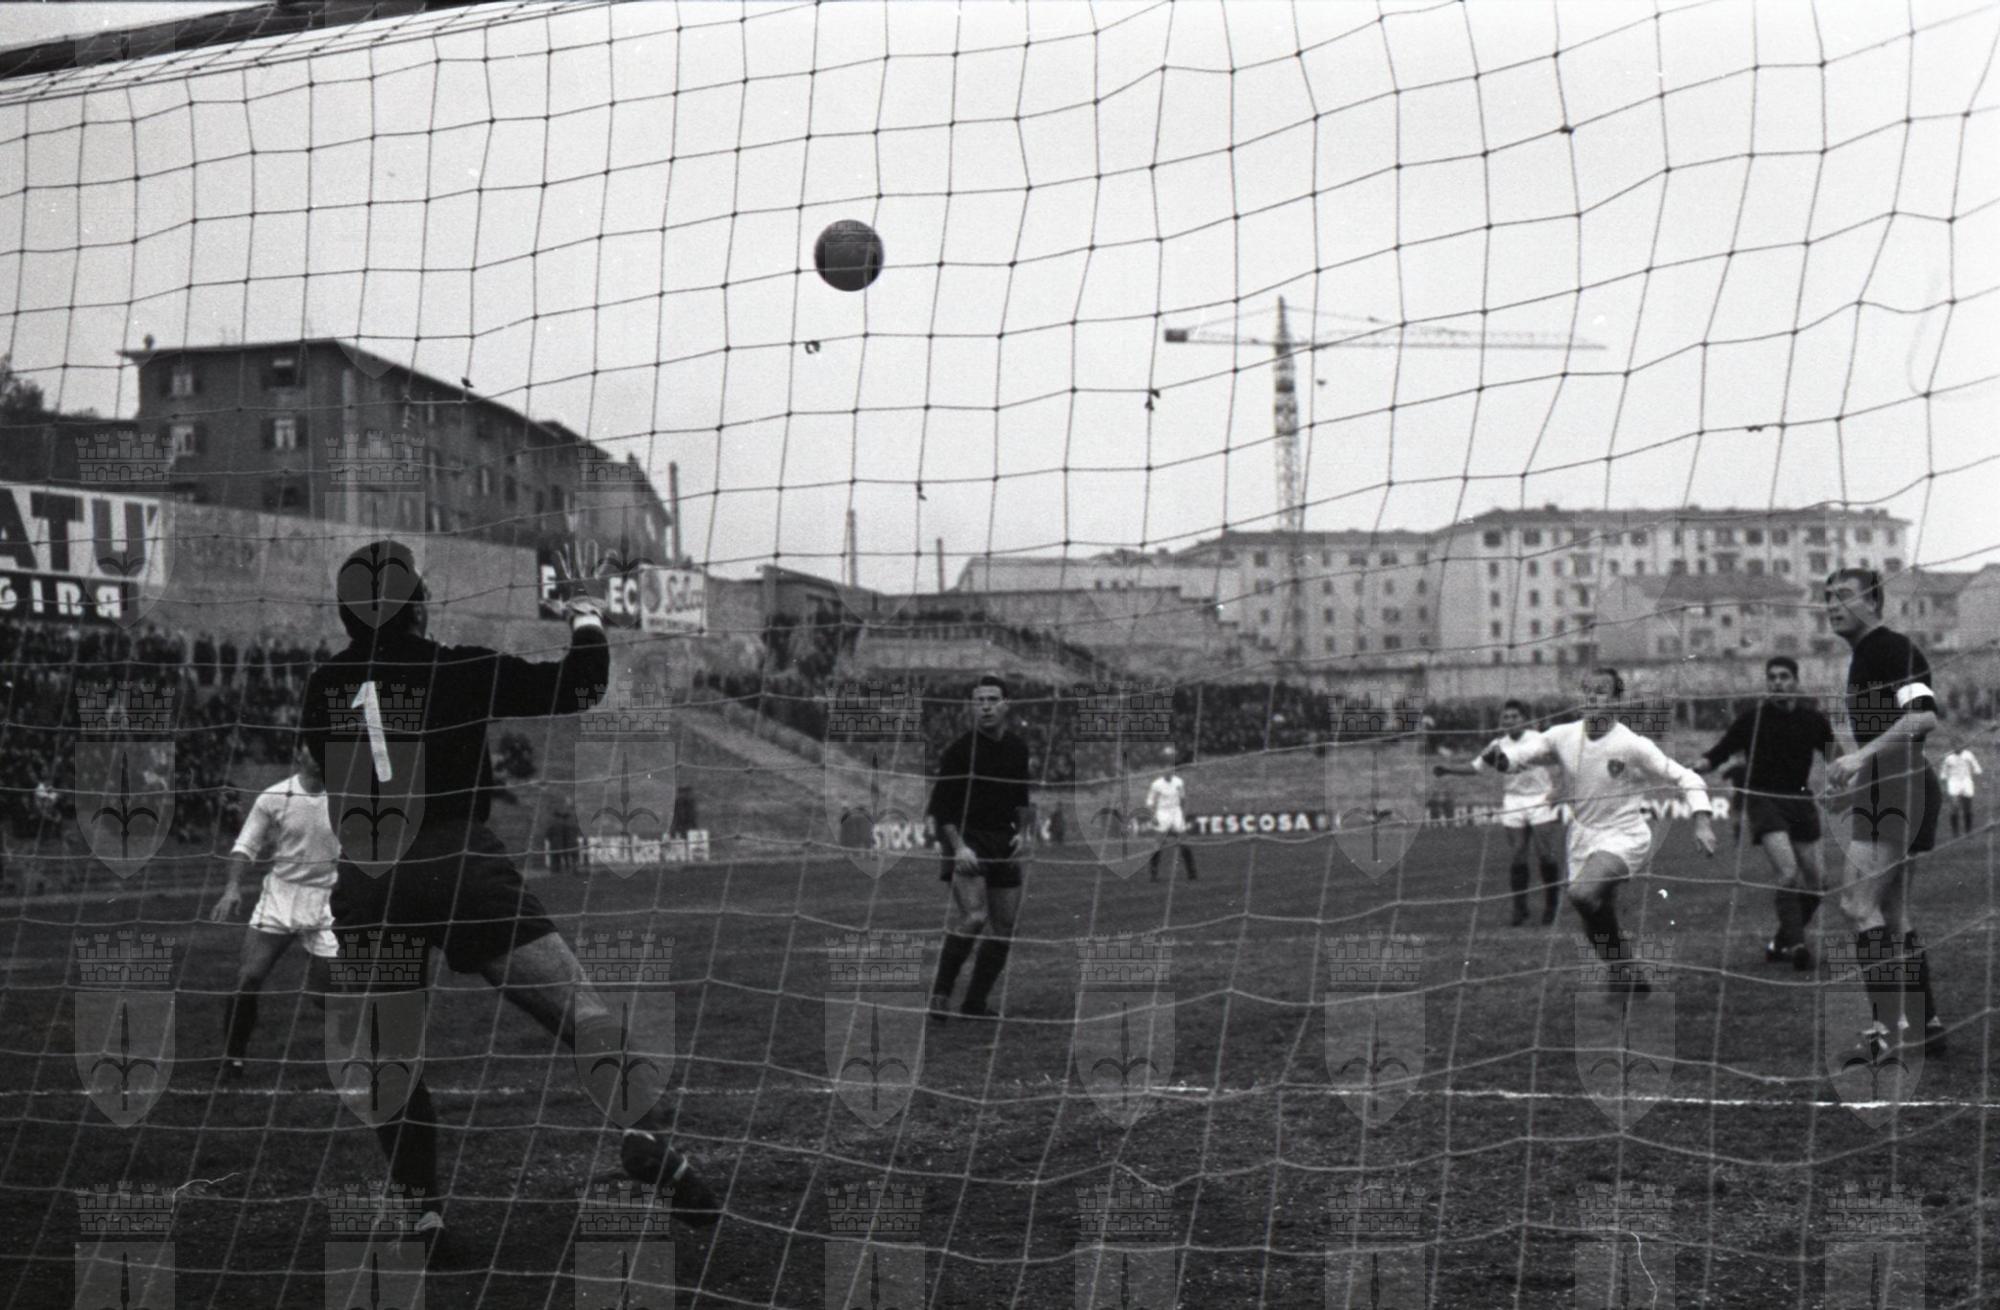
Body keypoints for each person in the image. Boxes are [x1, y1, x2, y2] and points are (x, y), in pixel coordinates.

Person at [300, 540, 717, 1243]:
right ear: (418, 607)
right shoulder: (458, 667)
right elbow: (580, 686)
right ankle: (644, 1137)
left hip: (369, 882)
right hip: (457, 861)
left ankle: (421, 1212)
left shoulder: (322, 687)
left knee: (390, 1059)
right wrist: (584, 607)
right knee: (584, 1013)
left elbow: (325, 767)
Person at [1483, 669, 1718, 992]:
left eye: (1601, 692)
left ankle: (1625, 966)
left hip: (1624, 835)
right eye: (1587, 691)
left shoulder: (1633, 745)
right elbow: (1521, 755)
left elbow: (1686, 777)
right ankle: (1625, 972)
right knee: (1593, 911)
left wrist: (1702, 821)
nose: (1592, 697)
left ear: (1617, 701)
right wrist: (1501, 759)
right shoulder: (1562, 735)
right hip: (1582, 836)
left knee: (1582, 894)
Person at [1821, 567, 1947, 1062]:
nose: (1832, 605)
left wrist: (1859, 757)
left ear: (1873, 601)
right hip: (1893, 785)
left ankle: (1887, 1034)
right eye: (1827, 598)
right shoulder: (1867, 653)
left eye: (1843, 596)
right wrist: (1858, 782)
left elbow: (1924, 716)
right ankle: (1926, 1023)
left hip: (1899, 787)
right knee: (1892, 914)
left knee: (1857, 906)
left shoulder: (1890, 647)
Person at [1687, 656, 1838, 970]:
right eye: (1772, 677)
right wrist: (1699, 765)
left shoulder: (1813, 720)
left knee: (1819, 882)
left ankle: (1780, 943)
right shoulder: (1752, 719)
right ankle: (1797, 946)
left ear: (1795, 681)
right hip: (1764, 799)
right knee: (1788, 873)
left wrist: (1847, 778)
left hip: (1800, 800)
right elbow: (1721, 750)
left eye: (1784, 676)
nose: (1777, 682)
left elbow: (1836, 758)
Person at [208, 743, 340, 1081]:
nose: (318, 756)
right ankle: (233, 1060)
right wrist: (232, 887)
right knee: (248, 978)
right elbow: (245, 845)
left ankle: (361, 1049)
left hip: (329, 899)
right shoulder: (273, 797)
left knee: (326, 995)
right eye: (311, 748)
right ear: (299, 754)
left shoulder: (348, 796)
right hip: (281, 895)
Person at [926, 674, 1033, 1022]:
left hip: (1003, 841)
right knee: (974, 917)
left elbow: (1022, 798)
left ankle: (974, 1003)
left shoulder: (1018, 748)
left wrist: (1023, 833)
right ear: (972, 707)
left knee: (1005, 928)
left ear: (1006, 705)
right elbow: (941, 808)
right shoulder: (959, 752)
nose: (985, 706)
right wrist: (959, 848)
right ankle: (940, 994)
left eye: (992, 699)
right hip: (967, 839)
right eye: (979, 700)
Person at [1436, 699, 1563, 927]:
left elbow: (1563, 761)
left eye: (1514, 716)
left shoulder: (1539, 739)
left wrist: (1558, 789)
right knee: (1518, 854)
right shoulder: (1497, 745)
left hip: (1540, 798)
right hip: (1513, 800)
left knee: (1546, 854)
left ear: (1524, 719)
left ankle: (1551, 907)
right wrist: (1448, 769)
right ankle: (1520, 909)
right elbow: (1475, 767)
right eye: (1506, 717)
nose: (1510, 721)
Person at [1145, 748, 1197, 883]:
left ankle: (1192, 873)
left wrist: (1183, 813)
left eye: (1171, 768)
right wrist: (1153, 816)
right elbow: (1150, 802)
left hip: (1176, 812)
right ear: (1163, 770)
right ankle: (1153, 874)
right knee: (1158, 843)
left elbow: (1183, 799)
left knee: (1184, 841)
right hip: (1162, 813)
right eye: (1166, 768)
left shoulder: (1179, 782)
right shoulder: (1156, 784)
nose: (1169, 771)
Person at [1939, 741, 1981, 838]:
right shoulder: (1948, 758)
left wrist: (1974, 778)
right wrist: (1944, 786)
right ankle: (1955, 832)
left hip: (1966, 782)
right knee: (1955, 807)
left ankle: (1968, 832)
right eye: (1955, 745)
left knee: (1967, 807)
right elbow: (1943, 774)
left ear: (1963, 745)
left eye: (1959, 745)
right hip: (1954, 782)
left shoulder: (1969, 755)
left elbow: (1977, 769)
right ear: (1952, 746)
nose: (1957, 747)